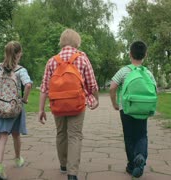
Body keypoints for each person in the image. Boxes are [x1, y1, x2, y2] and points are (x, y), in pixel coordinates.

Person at [38, 29, 99, 180]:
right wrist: (95, 99)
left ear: (61, 42)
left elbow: (45, 88)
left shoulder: (52, 60)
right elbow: (92, 84)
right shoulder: (82, 59)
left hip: (57, 104)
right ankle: (72, 173)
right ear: (77, 43)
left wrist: (41, 109)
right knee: (75, 136)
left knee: (61, 133)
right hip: (77, 104)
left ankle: (63, 164)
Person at [0, 41, 32, 180]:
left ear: (6, 53)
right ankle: (17, 158)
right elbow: (28, 85)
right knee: (16, 134)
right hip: (15, 107)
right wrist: (24, 99)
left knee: (2, 137)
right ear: (19, 53)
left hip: (0, 107)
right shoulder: (21, 70)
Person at [109, 41, 156, 178]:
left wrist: (115, 103)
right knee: (142, 135)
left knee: (129, 136)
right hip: (143, 109)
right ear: (145, 55)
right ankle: (140, 156)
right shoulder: (147, 72)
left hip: (127, 109)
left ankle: (132, 165)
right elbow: (154, 89)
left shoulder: (124, 70)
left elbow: (112, 87)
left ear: (130, 54)